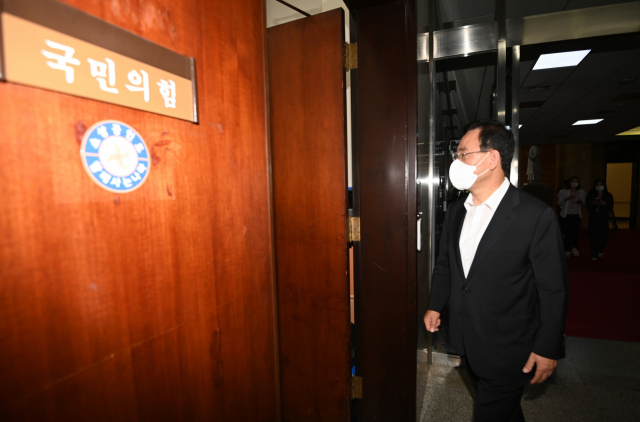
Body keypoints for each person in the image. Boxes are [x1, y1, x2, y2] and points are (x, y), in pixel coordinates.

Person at [424, 120, 568, 422]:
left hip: (509, 348)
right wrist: (435, 305)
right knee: (505, 412)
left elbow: (553, 289)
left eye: (463, 154)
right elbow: (446, 265)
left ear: (491, 159)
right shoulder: (456, 211)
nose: (456, 162)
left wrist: (548, 347)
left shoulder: (535, 216)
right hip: (466, 339)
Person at [557, 176, 585, 257]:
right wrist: (567, 198)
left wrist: (581, 202)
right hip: (566, 215)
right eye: (573, 181)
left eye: (576, 181)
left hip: (577, 214)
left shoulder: (581, 191)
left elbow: (584, 203)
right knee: (566, 232)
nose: (574, 182)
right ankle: (567, 248)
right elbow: (559, 203)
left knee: (576, 232)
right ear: (570, 182)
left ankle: (574, 247)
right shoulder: (564, 191)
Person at [586, 180, 614, 261]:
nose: (599, 186)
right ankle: (594, 254)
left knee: (604, 237)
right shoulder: (591, 194)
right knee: (593, 236)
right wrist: (593, 203)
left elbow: (610, 206)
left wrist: (604, 204)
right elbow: (587, 205)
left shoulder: (608, 195)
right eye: (597, 184)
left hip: (603, 218)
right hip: (593, 218)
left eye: (601, 184)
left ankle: (600, 249)